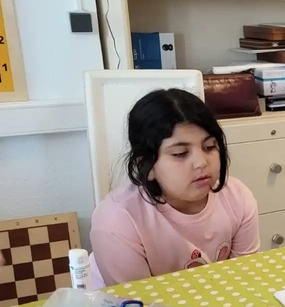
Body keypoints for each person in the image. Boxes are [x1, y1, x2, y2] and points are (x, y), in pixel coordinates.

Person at [89, 88, 260, 288]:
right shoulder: (117, 221)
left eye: (209, 147)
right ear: (146, 166)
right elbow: (137, 302)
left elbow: (242, 279)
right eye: (180, 153)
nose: (201, 162)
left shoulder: (238, 199)